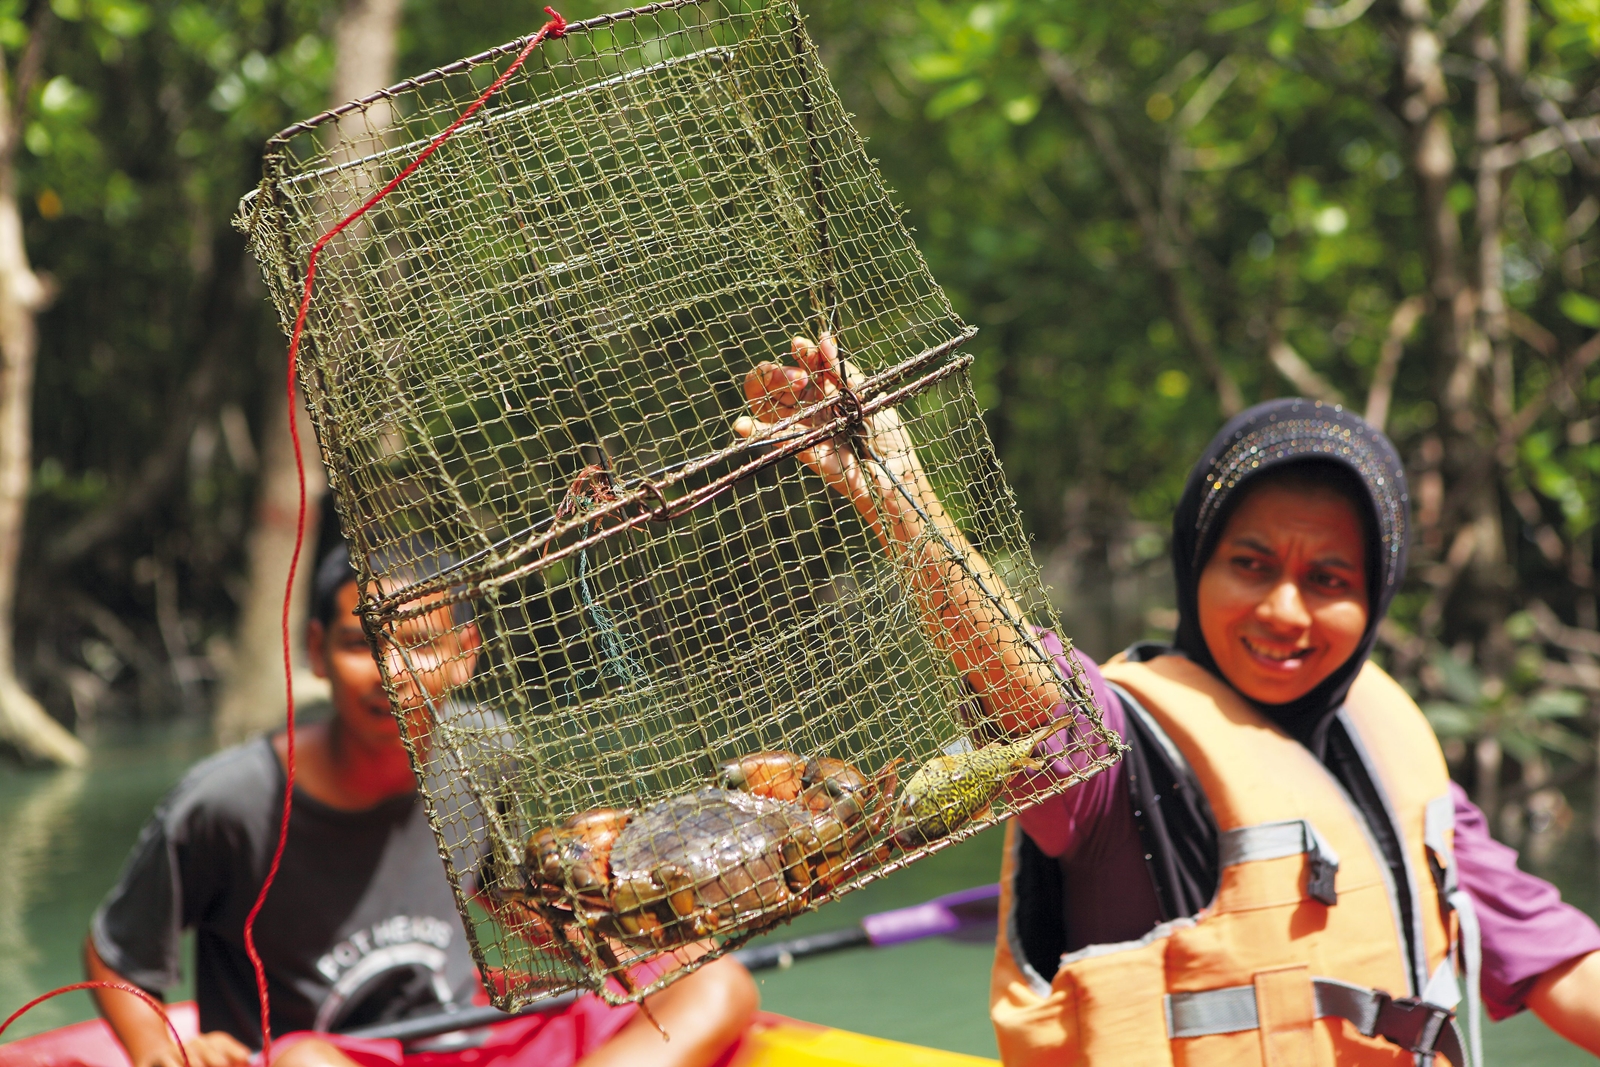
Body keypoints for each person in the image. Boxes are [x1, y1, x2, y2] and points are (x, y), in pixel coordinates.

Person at [735, 334, 1600, 1064]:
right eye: (1251, 564)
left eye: (1328, 578)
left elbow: (1560, 964)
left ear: (1375, 599)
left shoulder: (1394, 756)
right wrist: (900, 498)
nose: (1284, 610)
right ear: (1196, 566)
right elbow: (1033, 697)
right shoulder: (1121, 759)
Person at [84, 543, 757, 1067]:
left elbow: (513, 900)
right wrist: (161, 1049)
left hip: (457, 1039)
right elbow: (115, 954)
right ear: (318, 653)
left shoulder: (485, 749)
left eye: (421, 643)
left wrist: (630, 938)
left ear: (465, 656)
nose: (391, 672)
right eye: (360, 645)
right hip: (320, 1051)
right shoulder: (230, 801)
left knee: (713, 980)